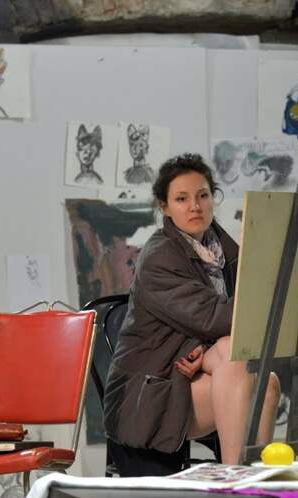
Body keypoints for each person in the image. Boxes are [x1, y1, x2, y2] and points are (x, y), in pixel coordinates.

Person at [103, 153, 281, 468]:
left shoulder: (222, 249)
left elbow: (232, 322)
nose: (195, 206)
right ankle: (236, 480)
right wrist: (205, 342)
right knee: (235, 357)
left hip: (187, 374)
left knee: (267, 382)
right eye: (182, 199)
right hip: (148, 392)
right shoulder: (160, 256)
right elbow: (216, 318)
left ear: (213, 198)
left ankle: (255, 481)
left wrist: (203, 346)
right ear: (164, 207)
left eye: (202, 196)